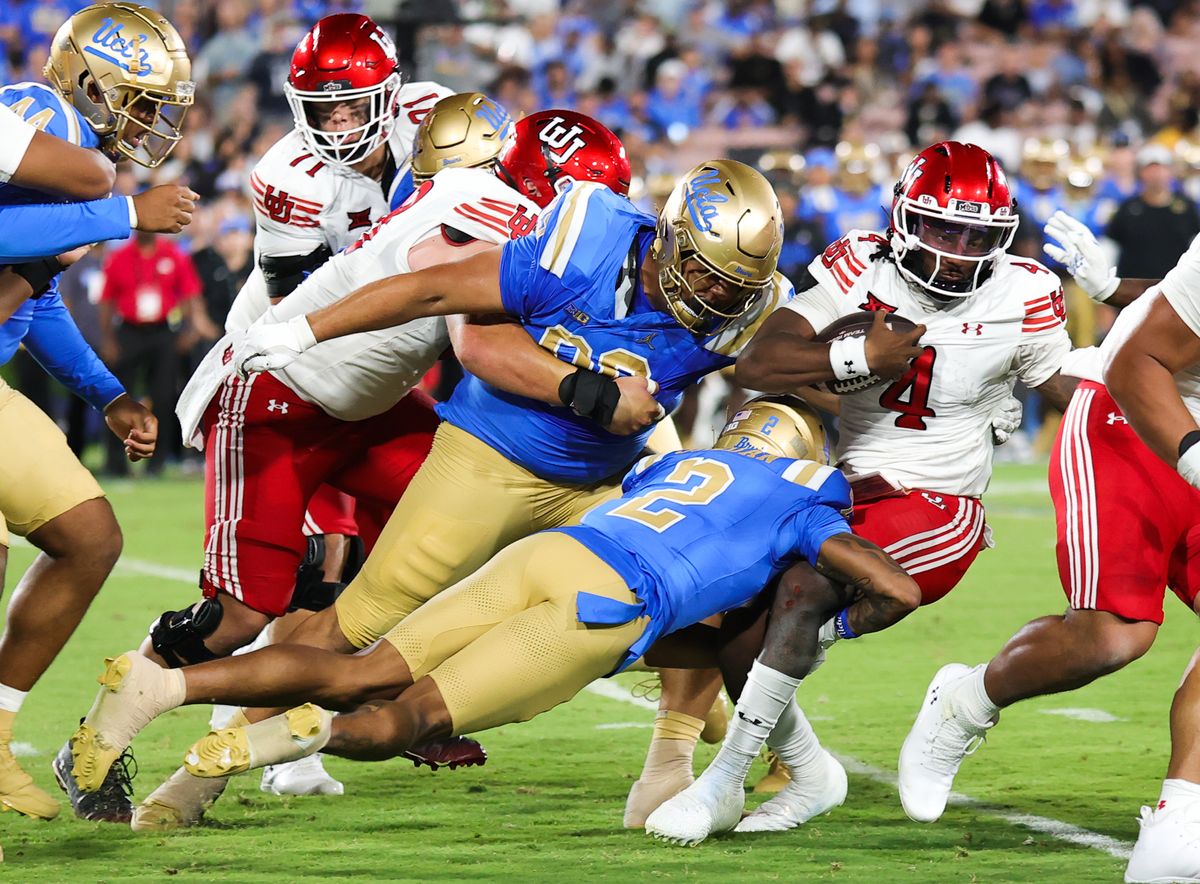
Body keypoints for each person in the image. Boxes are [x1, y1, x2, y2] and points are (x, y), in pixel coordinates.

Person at [104, 103, 642, 831]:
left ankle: (373, 698)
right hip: (283, 391)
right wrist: (591, 390)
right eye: (589, 202)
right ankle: (110, 725)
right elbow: (457, 318)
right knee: (247, 612)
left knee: (440, 551)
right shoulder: (493, 211)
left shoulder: (460, 175)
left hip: (372, 404)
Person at [215, 157, 789, 830]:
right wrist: (304, 329)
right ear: (668, 239)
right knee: (360, 622)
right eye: (706, 273)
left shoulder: (753, 311)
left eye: (736, 285)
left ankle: (671, 768)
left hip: (602, 478)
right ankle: (203, 768)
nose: (718, 295)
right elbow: (434, 291)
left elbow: (803, 373)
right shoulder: (587, 242)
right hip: (490, 456)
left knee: (702, 590)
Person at [69, 398, 920, 817]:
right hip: (602, 605)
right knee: (401, 721)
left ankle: (165, 686)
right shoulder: (806, 498)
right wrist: (835, 622)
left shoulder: (680, 465)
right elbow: (898, 587)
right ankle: (270, 742)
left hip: (546, 553)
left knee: (359, 667)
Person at [646, 141, 1078, 844]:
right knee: (736, 629)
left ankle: (723, 781)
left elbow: (1070, 390)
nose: (959, 252)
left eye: (977, 238)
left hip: (938, 503)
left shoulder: (1023, 291)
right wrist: (855, 356)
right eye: (943, 230)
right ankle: (809, 774)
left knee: (802, 592)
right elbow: (759, 363)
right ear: (904, 219)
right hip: (843, 493)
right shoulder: (860, 264)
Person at [893, 216, 1199, 844]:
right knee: (1111, 638)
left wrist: (1114, 288)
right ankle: (966, 702)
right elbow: (1142, 353)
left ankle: (1181, 821)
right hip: (1132, 419)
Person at [0, 0, 195, 821]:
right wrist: (124, 216)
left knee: (87, 536)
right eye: (144, 103)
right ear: (90, 84)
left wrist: (106, 393)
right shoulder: (36, 117)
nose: (155, 124)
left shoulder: (79, 159)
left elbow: (34, 298)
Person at [98, 231, 208, 476]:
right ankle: (115, 463)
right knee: (117, 396)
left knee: (164, 395)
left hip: (162, 331)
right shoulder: (120, 257)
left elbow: (190, 293)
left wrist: (189, 329)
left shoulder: (173, 254)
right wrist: (108, 339)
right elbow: (107, 300)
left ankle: (156, 463)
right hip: (129, 330)